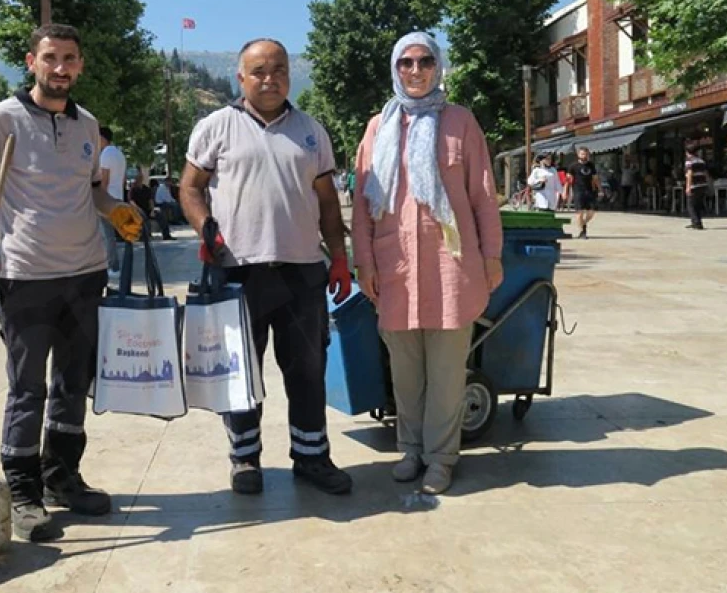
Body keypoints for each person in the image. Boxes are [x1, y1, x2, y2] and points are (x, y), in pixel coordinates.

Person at [0, 23, 144, 542]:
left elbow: (94, 193)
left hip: (85, 275)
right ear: (31, 61)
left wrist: (116, 210)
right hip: (28, 277)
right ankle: (23, 493)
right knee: (27, 389)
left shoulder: (88, 126)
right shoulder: (2, 119)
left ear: (80, 65)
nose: (61, 68)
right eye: (51, 57)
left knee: (73, 385)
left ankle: (63, 478)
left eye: (70, 59)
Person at [179, 37, 353, 496]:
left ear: (289, 76)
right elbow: (190, 189)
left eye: (278, 69)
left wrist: (339, 258)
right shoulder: (215, 127)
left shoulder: (312, 131)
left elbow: (328, 203)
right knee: (240, 374)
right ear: (241, 78)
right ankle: (244, 459)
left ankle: (312, 457)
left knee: (307, 369)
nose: (269, 78)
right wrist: (205, 229)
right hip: (237, 272)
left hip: (301, 271)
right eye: (258, 71)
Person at [352, 32, 503, 495]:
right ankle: (411, 448)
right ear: (395, 69)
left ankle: (441, 458)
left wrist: (492, 256)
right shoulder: (378, 127)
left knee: (446, 373)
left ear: (438, 67)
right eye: (406, 63)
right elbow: (361, 205)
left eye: (425, 61)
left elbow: (482, 195)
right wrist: (365, 264)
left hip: (450, 266)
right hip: (394, 269)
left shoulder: (460, 123)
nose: (415, 71)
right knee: (405, 370)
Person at [98, 126, 127, 279]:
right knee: (113, 235)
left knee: (106, 235)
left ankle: (113, 266)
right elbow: (122, 181)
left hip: (107, 200)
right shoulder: (120, 154)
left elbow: (104, 180)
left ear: (103, 138)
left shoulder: (105, 155)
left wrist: (99, 199)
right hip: (118, 198)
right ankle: (114, 265)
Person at [568, 147, 600, 239]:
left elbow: (595, 178)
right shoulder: (573, 166)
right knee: (580, 212)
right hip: (578, 191)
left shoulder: (591, 165)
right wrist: (565, 191)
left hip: (589, 190)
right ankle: (582, 232)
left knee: (592, 212)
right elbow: (568, 180)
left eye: (585, 154)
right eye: (582, 154)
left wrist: (600, 189)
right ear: (578, 155)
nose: (584, 156)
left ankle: (583, 224)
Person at [685, 147, 709, 230]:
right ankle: (697, 222)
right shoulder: (701, 161)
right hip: (702, 185)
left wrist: (688, 187)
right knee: (698, 205)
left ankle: (696, 223)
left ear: (688, 153)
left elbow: (689, 174)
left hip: (694, 185)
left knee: (691, 205)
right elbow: (705, 173)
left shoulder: (689, 161)